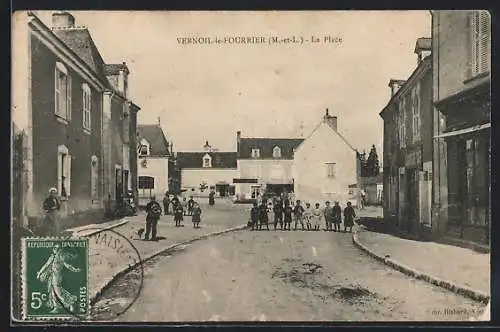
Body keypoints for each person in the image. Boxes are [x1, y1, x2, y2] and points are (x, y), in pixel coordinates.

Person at [36, 244, 80, 313]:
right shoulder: (52, 257)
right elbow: (46, 265)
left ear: (59, 249)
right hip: (52, 276)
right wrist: (39, 273)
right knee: (53, 292)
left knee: (58, 293)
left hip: (57, 277)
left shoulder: (61, 257)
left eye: (57, 248)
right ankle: (56, 308)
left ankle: (70, 304)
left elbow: (67, 265)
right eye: (54, 248)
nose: (55, 249)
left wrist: (74, 269)